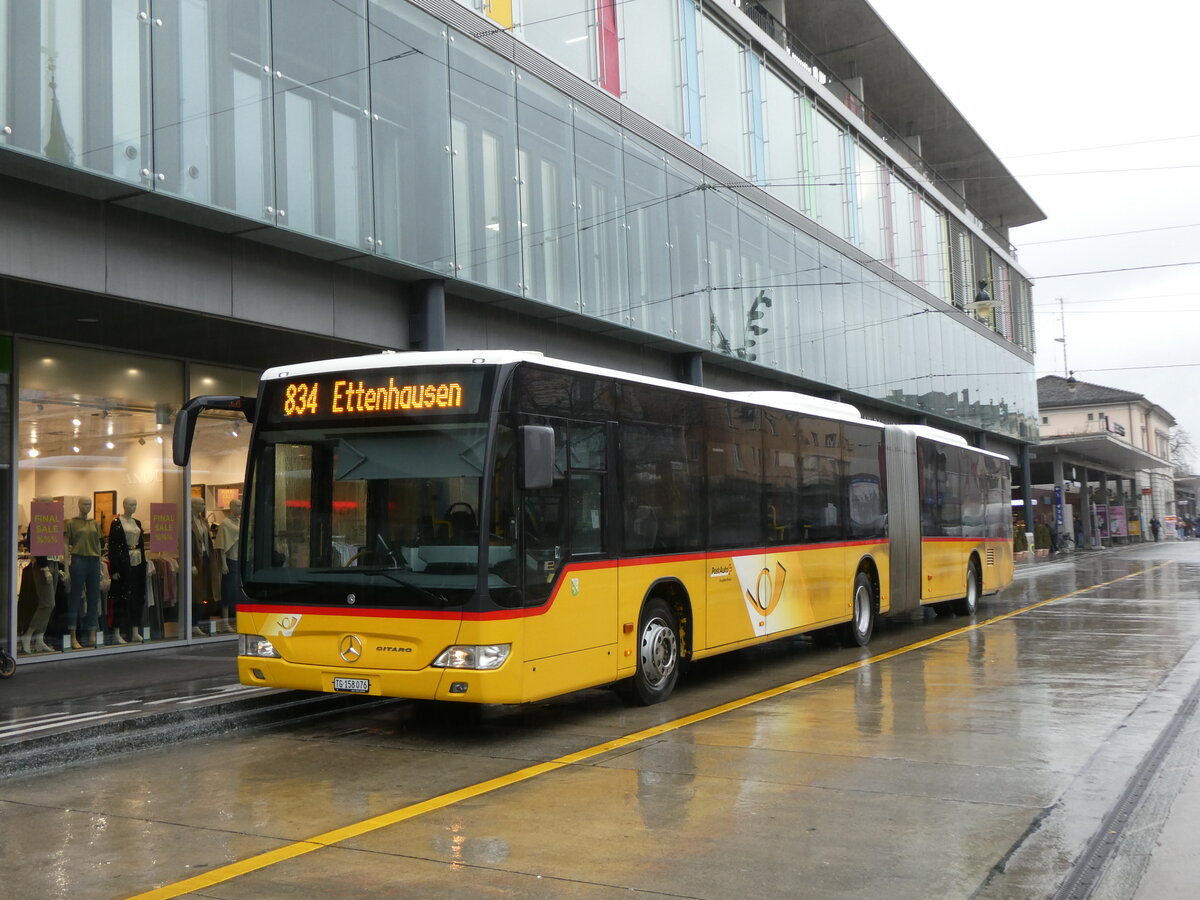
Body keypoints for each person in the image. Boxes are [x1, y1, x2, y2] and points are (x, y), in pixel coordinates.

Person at [65, 497, 103, 649]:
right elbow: (65, 545)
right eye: (85, 504)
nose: (87, 507)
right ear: (79, 505)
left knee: (94, 598)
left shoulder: (95, 523)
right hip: (78, 560)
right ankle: (73, 636)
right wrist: (67, 568)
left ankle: (92, 634)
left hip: (93, 561)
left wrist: (100, 565)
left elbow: (99, 545)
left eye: (90, 504)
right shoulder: (71, 523)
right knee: (75, 599)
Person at [108, 497, 147, 644]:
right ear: (124, 506)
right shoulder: (117, 523)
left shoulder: (137, 523)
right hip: (124, 563)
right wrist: (115, 569)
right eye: (131, 504)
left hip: (137, 561)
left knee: (137, 596)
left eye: (135, 504)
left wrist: (144, 562)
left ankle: (135, 630)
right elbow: (113, 546)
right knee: (121, 597)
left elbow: (141, 544)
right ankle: (117, 632)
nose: (133, 507)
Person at [190, 497, 220, 636]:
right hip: (196, 559)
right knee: (196, 592)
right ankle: (193, 623)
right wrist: (190, 563)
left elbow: (208, 540)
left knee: (207, 591)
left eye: (203, 503)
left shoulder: (203, 521)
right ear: (193, 505)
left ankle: (203, 621)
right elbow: (185, 543)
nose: (203, 505)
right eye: (200, 503)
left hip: (206, 557)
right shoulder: (188, 521)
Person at [214, 498, 241, 633]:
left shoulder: (240, 522)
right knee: (227, 590)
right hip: (230, 559)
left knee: (238, 591)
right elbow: (221, 545)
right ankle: (224, 621)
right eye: (237, 505)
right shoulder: (225, 524)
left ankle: (237, 620)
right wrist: (223, 563)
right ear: (231, 507)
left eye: (241, 505)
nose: (240, 507)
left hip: (239, 560)